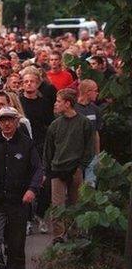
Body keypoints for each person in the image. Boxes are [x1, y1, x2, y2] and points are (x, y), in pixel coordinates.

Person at [0, 107, 43, 269]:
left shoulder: (26, 143)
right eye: (3, 120)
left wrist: (32, 189)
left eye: (10, 120)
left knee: (16, 240)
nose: (6, 123)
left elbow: (38, 168)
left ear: (17, 121)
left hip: (18, 200)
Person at [44, 88, 94, 244]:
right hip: (57, 169)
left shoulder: (84, 122)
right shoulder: (55, 125)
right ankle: (58, 236)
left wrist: (81, 166)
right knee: (57, 205)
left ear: (67, 103)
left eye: (58, 101)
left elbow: (89, 147)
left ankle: (75, 233)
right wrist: (49, 170)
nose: (55, 104)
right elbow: (48, 149)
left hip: (76, 168)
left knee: (75, 203)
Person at [74, 79, 101, 186]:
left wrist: (97, 154)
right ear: (88, 92)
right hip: (76, 154)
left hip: (91, 153)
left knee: (90, 184)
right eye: (95, 91)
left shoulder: (95, 109)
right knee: (76, 185)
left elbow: (96, 133)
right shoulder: (74, 108)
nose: (97, 93)